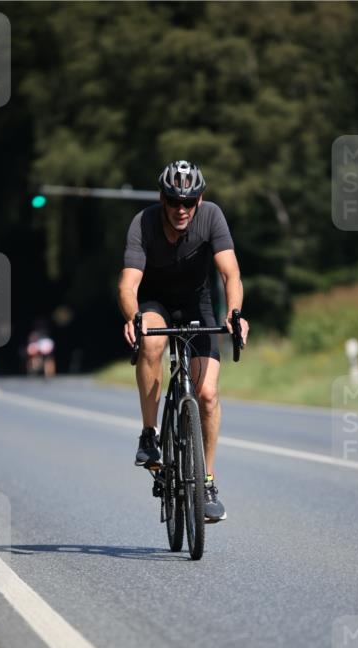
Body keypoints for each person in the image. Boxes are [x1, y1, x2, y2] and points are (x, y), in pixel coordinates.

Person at [119, 160, 249, 522]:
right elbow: (128, 285)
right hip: (154, 303)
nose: (181, 209)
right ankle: (150, 435)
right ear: (162, 198)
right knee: (151, 343)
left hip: (196, 303)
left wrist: (234, 314)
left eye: (189, 202)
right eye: (174, 201)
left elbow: (231, 274)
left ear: (199, 200)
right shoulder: (143, 223)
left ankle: (206, 483)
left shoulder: (211, 217)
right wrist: (134, 317)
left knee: (207, 394)